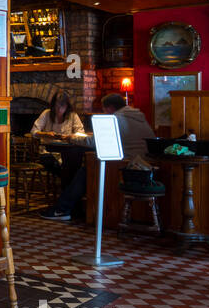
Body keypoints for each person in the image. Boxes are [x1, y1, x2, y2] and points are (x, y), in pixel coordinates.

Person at [40, 93, 156, 221]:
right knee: (86, 167)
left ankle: (62, 209)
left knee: (86, 171)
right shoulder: (138, 116)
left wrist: (71, 138)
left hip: (128, 166)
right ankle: (73, 208)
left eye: (104, 109)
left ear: (110, 108)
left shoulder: (116, 119)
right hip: (145, 164)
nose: (104, 112)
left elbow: (97, 141)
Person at [29, 91, 85, 177]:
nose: (59, 109)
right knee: (55, 164)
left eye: (62, 106)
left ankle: (67, 185)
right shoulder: (46, 113)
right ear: (53, 105)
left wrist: (69, 137)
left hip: (67, 151)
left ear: (67, 106)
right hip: (48, 151)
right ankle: (67, 185)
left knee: (75, 159)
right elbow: (33, 131)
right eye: (57, 106)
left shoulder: (73, 115)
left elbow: (81, 133)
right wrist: (45, 134)